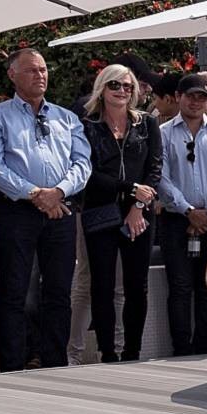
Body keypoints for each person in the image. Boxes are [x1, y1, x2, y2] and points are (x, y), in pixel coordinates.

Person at [0, 49, 91, 372]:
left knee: (59, 292)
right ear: (12, 75)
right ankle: (12, 367)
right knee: (15, 292)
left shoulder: (66, 117)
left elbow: (82, 163)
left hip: (60, 210)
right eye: (32, 70)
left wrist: (58, 192)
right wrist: (34, 194)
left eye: (43, 69)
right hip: (17, 212)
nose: (40, 75)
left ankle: (54, 363)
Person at [80, 64, 162, 363]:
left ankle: (132, 351)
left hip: (139, 213)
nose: (122, 90)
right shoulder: (87, 125)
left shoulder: (147, 124)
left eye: (128, 86)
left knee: (136, 285)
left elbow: (155, 168)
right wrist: (130, 189)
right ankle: (107, 352)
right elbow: (88, 172)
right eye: (115, 84)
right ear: (102, 88)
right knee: (101, 284)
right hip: (100, 210)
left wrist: (138, 206)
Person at [156, 73, 207, 356]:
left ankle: (204, 347)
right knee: (179, 285)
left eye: (203, 97)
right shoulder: (163, 133)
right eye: (191, 96)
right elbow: (161, 177)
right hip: (176, 218)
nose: (196, 102)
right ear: (178, 97)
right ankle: (181, 349)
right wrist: (188, 211)